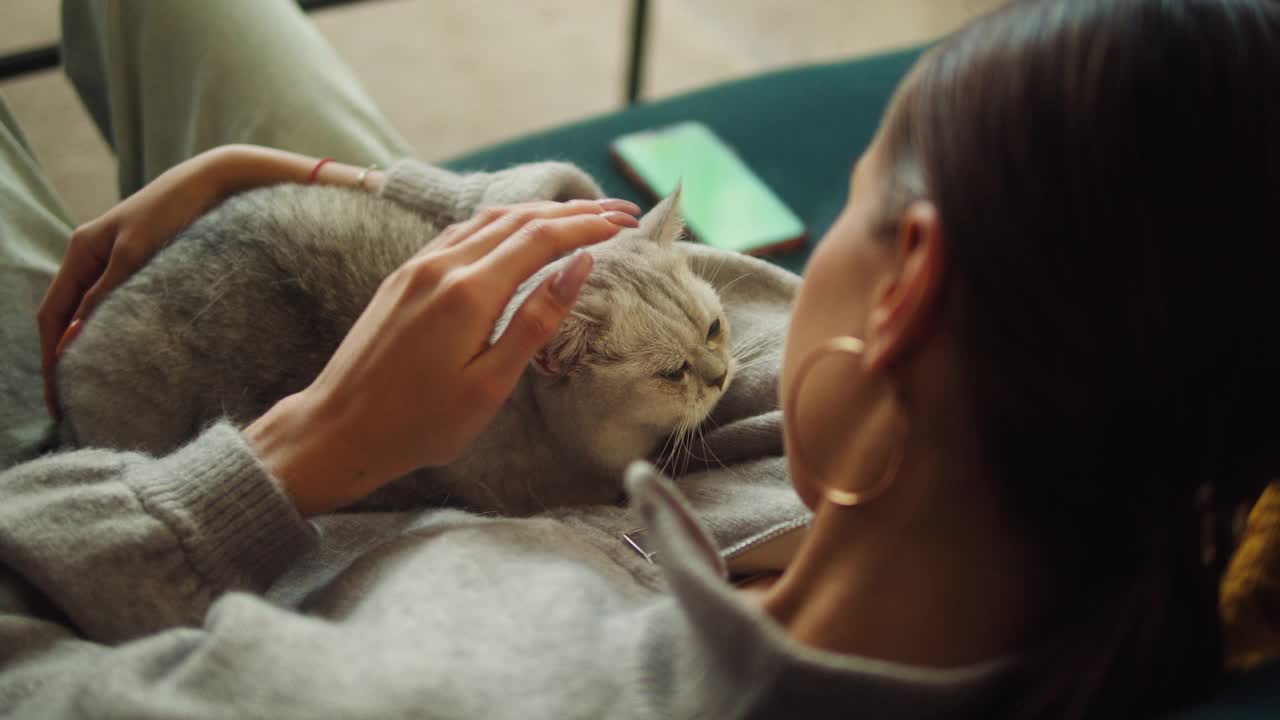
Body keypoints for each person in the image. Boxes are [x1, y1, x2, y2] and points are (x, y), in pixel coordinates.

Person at [0, 0, 1275, 717]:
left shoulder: (447, 692)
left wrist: (294, 456)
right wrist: (279, 174)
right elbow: (575, 229)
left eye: (849, 197)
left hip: (110, 498)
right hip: (328, 236)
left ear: (911, 283)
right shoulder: (918, 445)